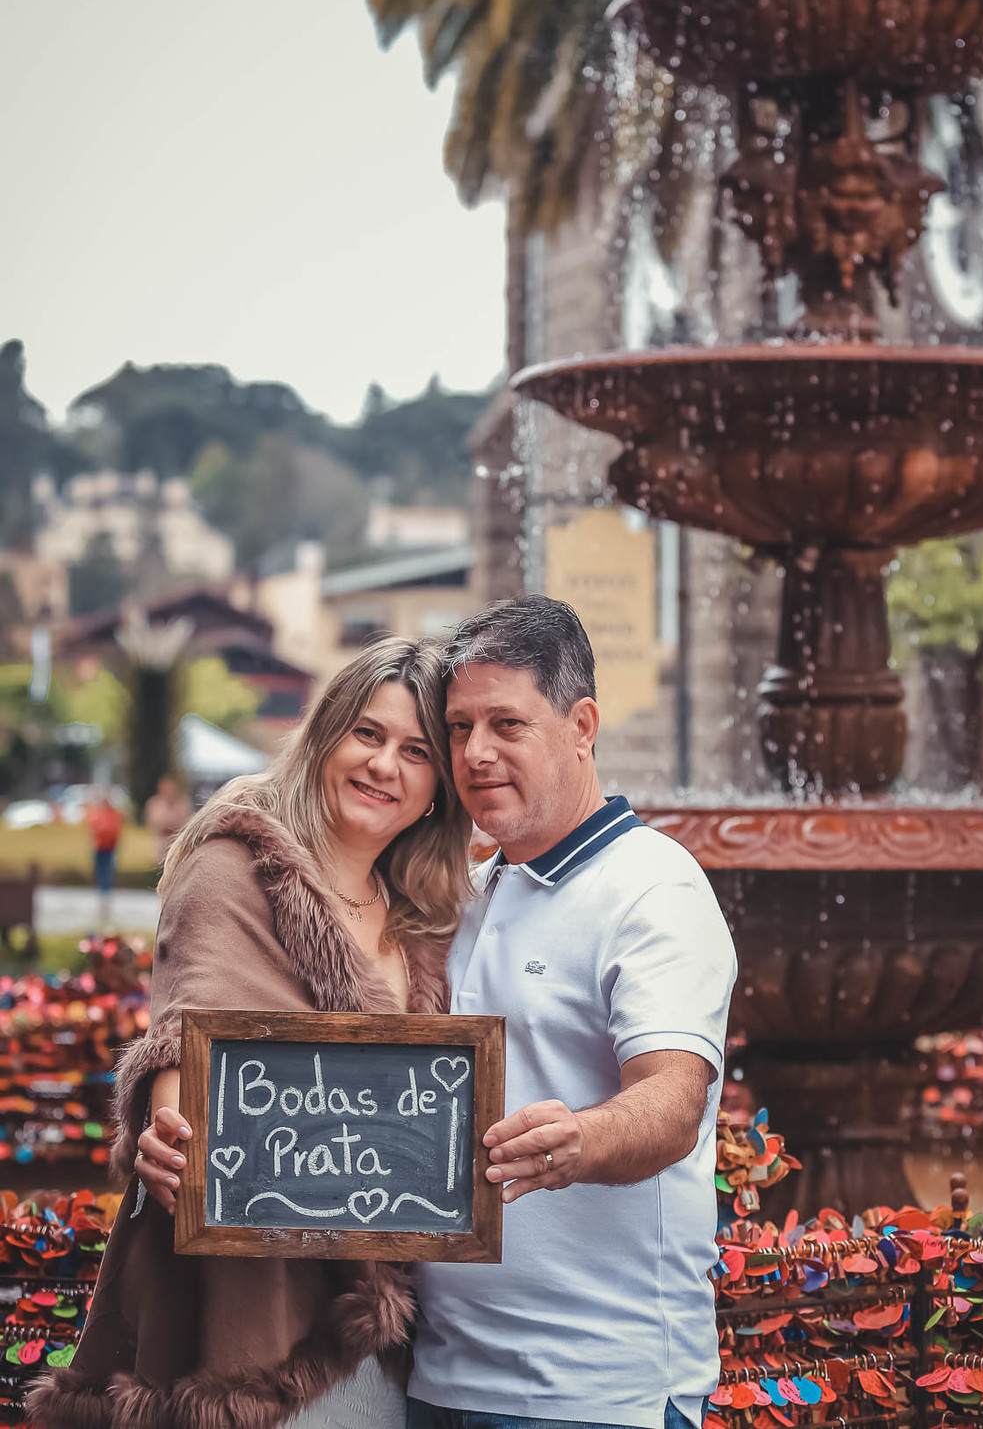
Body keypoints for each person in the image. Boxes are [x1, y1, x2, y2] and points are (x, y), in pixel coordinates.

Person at [30, 637, 472, 1429]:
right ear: (324, 736)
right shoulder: (235, 866)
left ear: (439, 786)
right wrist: (172, 1129)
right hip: (255, 1317)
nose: (384, 766)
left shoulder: (425, 921)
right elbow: (191, 1024)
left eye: (416, 750)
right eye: (366, 734)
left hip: (389, 1316)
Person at [412, 595, 737, 1429]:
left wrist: (580, 1140)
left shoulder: (653, 885)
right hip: (439, 1377)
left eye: (506, 724)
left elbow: (673, 1103)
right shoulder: (470, 893)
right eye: (458, 727)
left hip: (597, 1390)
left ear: (581, 725)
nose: (475, 752)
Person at [83, 787, 124, 928]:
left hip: (109, 849)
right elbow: (94, 828)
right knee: (100, 875)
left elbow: (113, 830)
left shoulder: (114, 814)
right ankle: (101, 901)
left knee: (107, 875)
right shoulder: (98, 813)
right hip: (99, 848)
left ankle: (106, 904)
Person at [145, 772, 190, 867]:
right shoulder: (155, 803)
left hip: (177, 841)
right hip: (162, 841)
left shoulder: (182, 803)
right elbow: (153, 822)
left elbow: (186, 822)